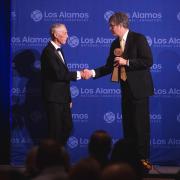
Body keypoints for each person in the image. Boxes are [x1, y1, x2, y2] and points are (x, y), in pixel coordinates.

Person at [83, 12, 154, 167]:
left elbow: (148, 61)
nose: (109, 29)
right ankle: (130, 160)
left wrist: (126, 62)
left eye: (111, 25)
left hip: (140, 91)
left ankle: (143, 161)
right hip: (126, 90)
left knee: (140, 127)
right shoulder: (115, 44)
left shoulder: (138, 38)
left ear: (121, 25)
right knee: (128, 126)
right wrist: (92, 72)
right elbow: (110, 66)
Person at [41, 23, 84, 145]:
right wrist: (80, 74)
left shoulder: (59, 51)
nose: (67, 36)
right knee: (55, 132)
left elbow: (63, 77)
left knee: (67, 127)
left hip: (63, 98)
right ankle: (51, 160)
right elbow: (59, 75)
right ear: (55, 34)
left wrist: (68, 98)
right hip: (54, 99)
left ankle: (57, 155)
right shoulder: (48, 52)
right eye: (64, 33)